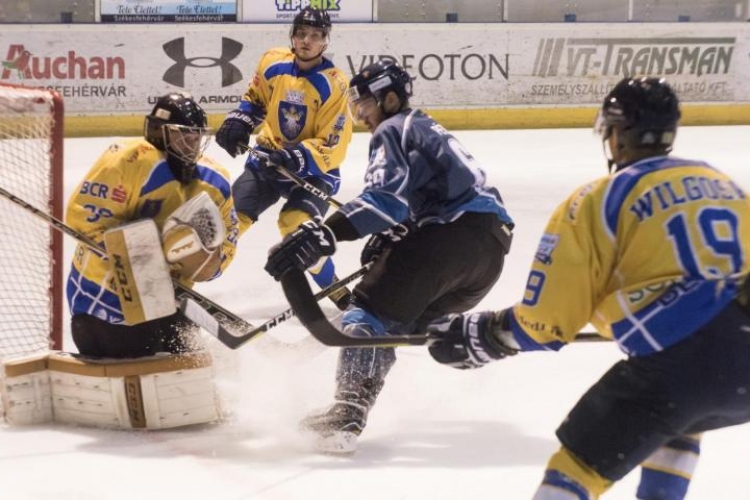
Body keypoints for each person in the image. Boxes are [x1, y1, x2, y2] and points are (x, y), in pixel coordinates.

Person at [427, 77, 750, 500]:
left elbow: (547, 321)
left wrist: (487, 335)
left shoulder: (599, 199)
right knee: (680, 417)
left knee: (577, 469)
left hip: (683, 361)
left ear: (615, 136)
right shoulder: (725, 184)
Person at [264, 60, 514, 454]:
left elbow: (385, 201)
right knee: (392, 324)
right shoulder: (424, 126)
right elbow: (419, 200)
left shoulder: (393, 129)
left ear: (390, 98)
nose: (359, 113)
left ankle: (347, 410)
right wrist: (401, 232)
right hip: (489, 256)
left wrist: (327, 232)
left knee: (367, 314)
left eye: (364, 102)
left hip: (451, 238)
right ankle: (353, 408)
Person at [66, 92, 240, 359]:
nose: (192, 144)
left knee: (192, 361)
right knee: (140, 356)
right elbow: (84, 222)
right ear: (159, 132)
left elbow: (228, 241)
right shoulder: (127, 162)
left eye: (196, 137)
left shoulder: (215, 181)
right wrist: (144, 257)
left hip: (167, 302)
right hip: (101, 299)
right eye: (184, 135)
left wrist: (208, 263)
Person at [214, 6, 353, 310]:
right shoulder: (273, 61)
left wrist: (296, 157)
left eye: (315, 36)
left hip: (314, 173)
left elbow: (335, 144)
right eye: (301, 33)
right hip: (266, 163)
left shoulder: (334, 83)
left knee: (296, 228)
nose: (306, 40)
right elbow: (255, 99)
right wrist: (240, 122)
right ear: (292, 35)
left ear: (325, 42)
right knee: (230, 220)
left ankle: (333, 286)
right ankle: (195, 276)